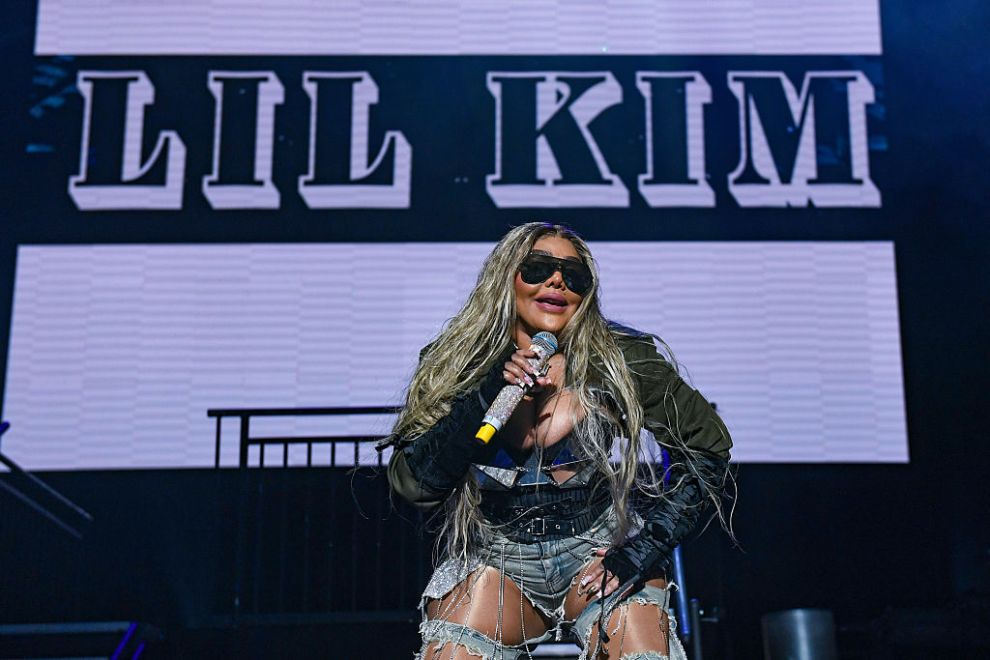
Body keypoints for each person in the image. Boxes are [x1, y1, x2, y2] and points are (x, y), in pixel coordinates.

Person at [381, 223, 732, 660]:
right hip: (496, 556)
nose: (556, 282)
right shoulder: (456, 362)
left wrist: (642, 551)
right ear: (506, 277)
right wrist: (488, 389)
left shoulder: (620, 358)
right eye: (539, 268)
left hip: (595, 547)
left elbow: (709, 451)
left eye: (574, 275)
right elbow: (414, 485)